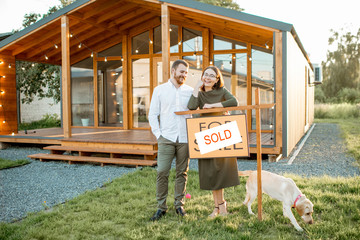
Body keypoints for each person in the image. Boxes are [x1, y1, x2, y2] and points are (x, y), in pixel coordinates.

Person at [187, 66, 240, 218]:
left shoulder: (221, 92)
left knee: (221, 171)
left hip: (220, 135)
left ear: (217, 80)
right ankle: (217, 207)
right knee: (211, 172)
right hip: (205, 137)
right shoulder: (200, 94)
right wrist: (197, 87)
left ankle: (221, 207)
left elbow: (234, 101)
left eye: (212, 76)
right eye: (206, 75)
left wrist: (213, 106)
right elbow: (191, 106)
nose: (208, 78)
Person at [148, 59, 194, 221]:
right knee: (162, 171)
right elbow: (152, 114)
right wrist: (158, 134)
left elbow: (197, 112)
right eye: (182, 71)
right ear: (173, 71)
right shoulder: (159, 90)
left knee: (182, 172)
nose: (184, 75)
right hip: (166, 137)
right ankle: (161, 207)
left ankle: (179, 204)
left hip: (184, 138)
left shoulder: (190, 91)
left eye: (186, 73)